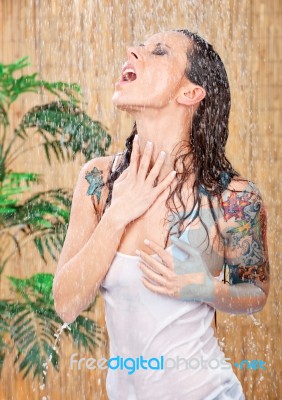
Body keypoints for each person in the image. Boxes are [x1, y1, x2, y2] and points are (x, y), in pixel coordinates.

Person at [52, 29, 270, 399]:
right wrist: (117, 215)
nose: (132, 51)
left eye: (159, 51)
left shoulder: (232, 197)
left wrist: (205, 289)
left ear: (190, 93)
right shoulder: (99, 181)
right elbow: (66, 304)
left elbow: (256, 292)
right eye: (140, 46)